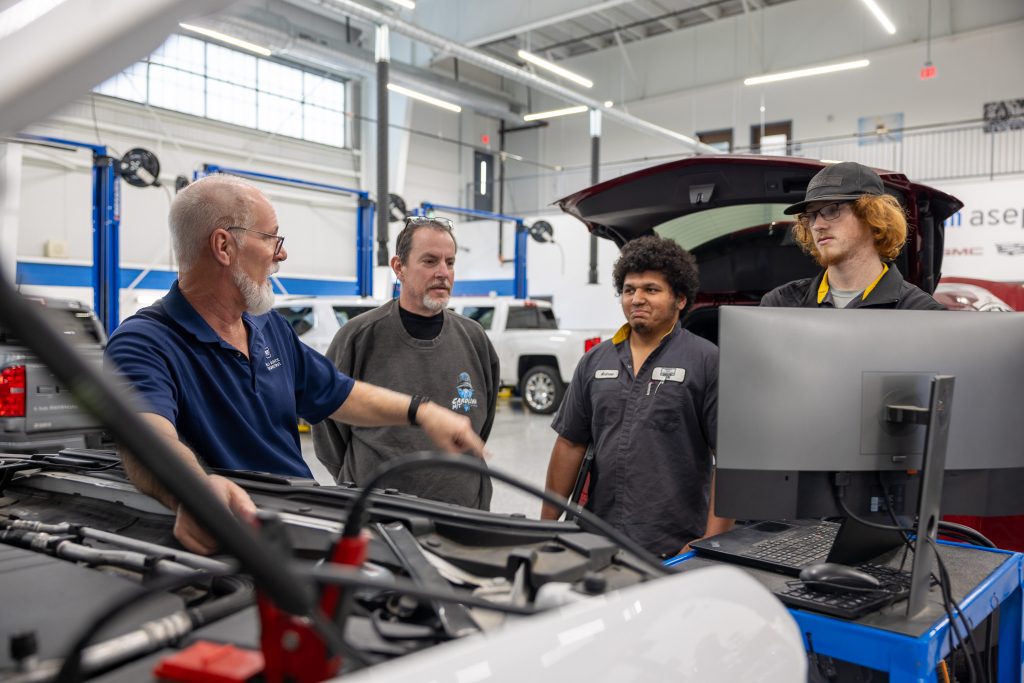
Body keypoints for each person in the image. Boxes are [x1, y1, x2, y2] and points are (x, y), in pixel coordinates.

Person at [105, 175, 484, 554]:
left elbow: (339, 394)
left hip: (301, 524)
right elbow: (145, 439)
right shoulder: (145, 342)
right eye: (271, 238)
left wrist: (422, 413)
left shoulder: (268, 326)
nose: (281, 254)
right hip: (234, 537)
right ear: (224, 246)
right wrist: (195, 490)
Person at [540, 235, 731, 557]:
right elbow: (569, 443)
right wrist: (546, 529)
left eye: (651, 290)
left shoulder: (706, 361)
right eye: (629, 290)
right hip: (598, 536)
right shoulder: (595, 361)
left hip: (674, 543)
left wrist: (709, 543)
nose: (637, 298)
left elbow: (729, 460)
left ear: (680, 299)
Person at [312, 216, 498, 509]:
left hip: (464, 513)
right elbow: (326, 424)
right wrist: (355, 480)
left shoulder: (474, 338)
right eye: (429, 261)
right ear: (399, 267)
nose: (443, 273)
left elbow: (481, 421)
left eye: (449, 262)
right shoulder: (358, 337)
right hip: (379, 515)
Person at [761, 161, 944, 310]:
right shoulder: (781, 304)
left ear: (873, 216)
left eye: (832, 210)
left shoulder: (919, 312)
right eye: (811, 215)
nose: (817, 225)